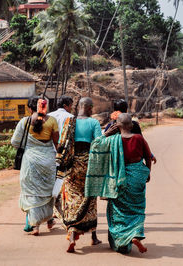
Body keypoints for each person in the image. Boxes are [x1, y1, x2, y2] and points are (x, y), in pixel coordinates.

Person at [56, 97, 117, 253]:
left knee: (71, 198)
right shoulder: (94, 123)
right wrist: (107, 134)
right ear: (89, 108)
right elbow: (99, 143)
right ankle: (93, 237)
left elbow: (62, 144)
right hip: (88, 165)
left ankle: (71, 233)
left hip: (72, 165)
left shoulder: (70, 122)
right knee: (90, 198)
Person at [85, 113, 152, 254]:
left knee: (117, 210)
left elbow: (95, 146)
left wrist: (106, 133)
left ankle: (122, 239)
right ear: (132, 125)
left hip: (118, 179)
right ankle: (135, 234)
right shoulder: (139, 138)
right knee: (137, 209)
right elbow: (148, 156)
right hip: (137, 176)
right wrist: (147, 172)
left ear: (118, 126)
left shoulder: (112, 140)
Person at [11, 96, 59, 236]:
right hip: (48, 161)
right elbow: (57, 143)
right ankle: (49, 220)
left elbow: (15, 142)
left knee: (32, 192)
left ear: (30, 108)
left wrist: (29, 145)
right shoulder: (52, 121)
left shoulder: (24, 122)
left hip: (30, 161)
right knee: (47, 192)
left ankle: (35, 226)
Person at [105, 99, 157, 164]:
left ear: (114, 110)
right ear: (126, 110)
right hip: (133, 163)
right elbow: (142, 143)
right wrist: (150, 155)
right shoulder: (133, 124)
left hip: (115, 163)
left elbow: (104, 144)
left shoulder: (110, 126)